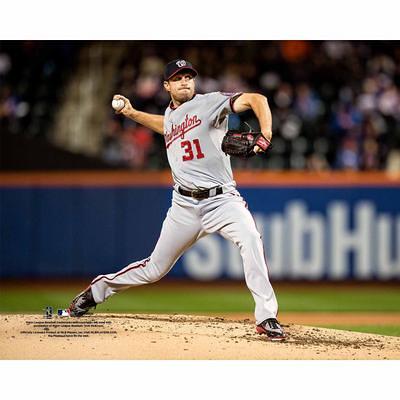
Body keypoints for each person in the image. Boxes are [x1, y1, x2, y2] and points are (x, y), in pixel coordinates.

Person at [68, 59, 285, 341]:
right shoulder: (171, 116)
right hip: (183, 206)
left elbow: (258, 99)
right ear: (167, 86)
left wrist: (265, 132)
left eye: (189, 77)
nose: (185, 81)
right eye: (178, 78)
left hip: (222, 201)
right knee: (154, 269)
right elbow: (166, 125)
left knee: (251, 240)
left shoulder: (211, 103)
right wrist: (132, 113)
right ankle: (96, 291)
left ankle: (266, 316)